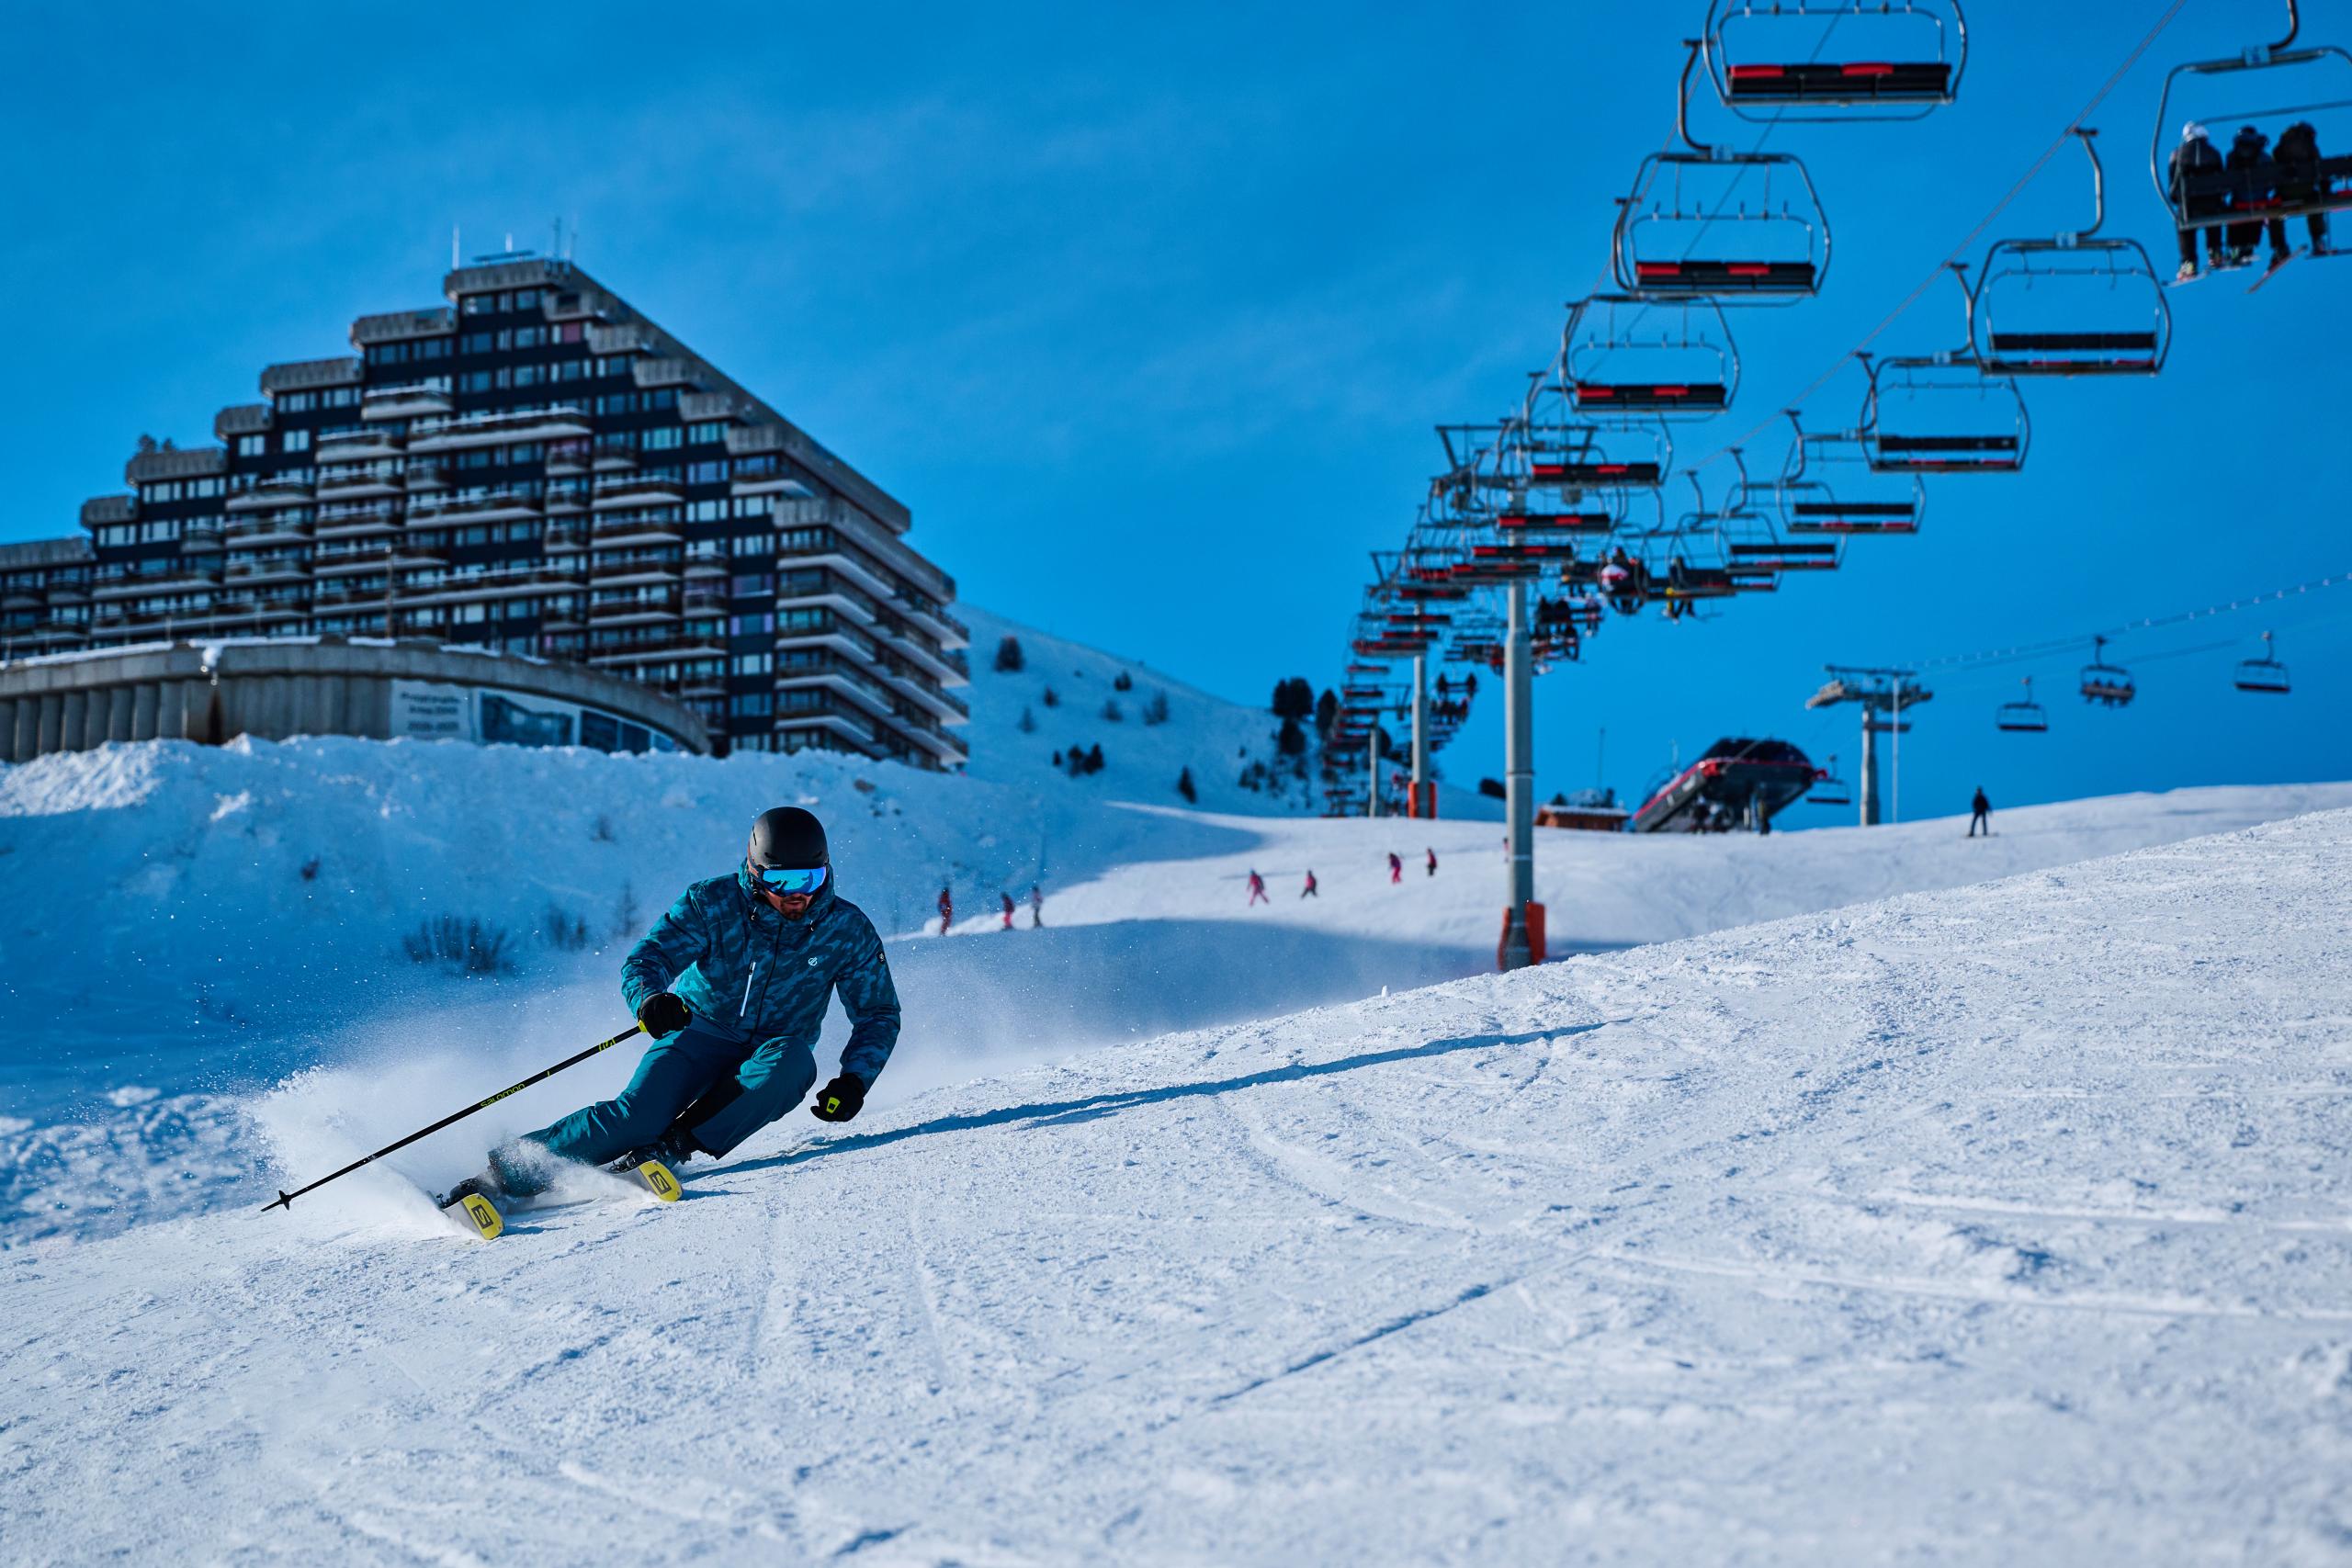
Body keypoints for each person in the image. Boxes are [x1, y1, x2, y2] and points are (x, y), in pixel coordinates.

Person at [439, 807, 899, 1209]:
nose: (798, 894)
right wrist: (651, 1000)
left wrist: (856, 1079)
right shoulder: (713, 903)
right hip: (699, 1032)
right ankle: (500, 1177)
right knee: (636, 1117)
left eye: (810, 879)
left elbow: (877, 1011)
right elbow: (647, 961)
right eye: (782, 880)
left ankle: (670, 1148)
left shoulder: (846, 929)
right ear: (757, 873)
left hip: (773, 1050)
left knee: (795, 1063)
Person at [2168, 122, 2227, 278]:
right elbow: (2222, 181)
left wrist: (2176, 198)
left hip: (2190, 207)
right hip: (2212, 204)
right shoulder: (2214, 153)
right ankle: (2215, 252)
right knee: (2214, 217)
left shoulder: (2177, 155)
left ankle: (2189, 263)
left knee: (2183, 224)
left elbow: (2174, 186)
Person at [2225, 124, 2283, 267]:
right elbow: (2272, 182)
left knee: (2234, 208)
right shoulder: (2264, 157)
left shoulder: (2232, 155)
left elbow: (2227, 180)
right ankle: (2249, 247)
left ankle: (2235, 249)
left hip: (2239, 201)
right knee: (2259, 209)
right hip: (2259, 201)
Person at [2274, 120, 2332, 255]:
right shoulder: (2311, 147)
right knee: (2316, 205)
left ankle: (2279, 246)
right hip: (2306, 190)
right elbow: (2320, 170)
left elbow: (2271, 172)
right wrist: (2326, 191)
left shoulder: (2279, 149)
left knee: (2274, 213)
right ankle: (2317, 239)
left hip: (2284, 193)